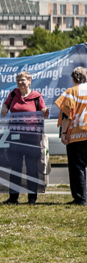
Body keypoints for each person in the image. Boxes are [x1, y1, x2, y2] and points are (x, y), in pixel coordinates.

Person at [0, 71, 49, 205]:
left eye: (22, 79)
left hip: (32, 137)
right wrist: (4, 108)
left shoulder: (37, 96)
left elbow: (43, 112)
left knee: (32, 167)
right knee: (15, 166)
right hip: (15, 135)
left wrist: (45, 112)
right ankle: (13, 197)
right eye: (18, 79)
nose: (20, 82)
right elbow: (6, 106)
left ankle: (32, 198)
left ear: (29, 81)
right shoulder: (13, 94)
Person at [56, 66, 87, 206]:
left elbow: (67, 114)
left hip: (77, 135)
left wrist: (63, 133)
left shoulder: (71, 92)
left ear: (74, 78)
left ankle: (80, 199)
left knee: (77, 167)